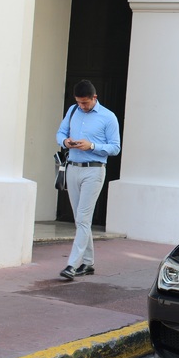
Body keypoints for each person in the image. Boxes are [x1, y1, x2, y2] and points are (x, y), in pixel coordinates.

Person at [56, 80, 121, 280]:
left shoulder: (108, 117)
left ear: (95, 98)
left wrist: (91, 146)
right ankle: (88, 263)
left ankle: (72, 265)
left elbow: (115, 147)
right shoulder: (73, 110)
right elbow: (60, 133)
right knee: (80, 220)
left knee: (83, 218)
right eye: (79, 102)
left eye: (85, 103)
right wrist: (66, 141)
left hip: (94, 171)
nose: (82, 106)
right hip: (73, 168)